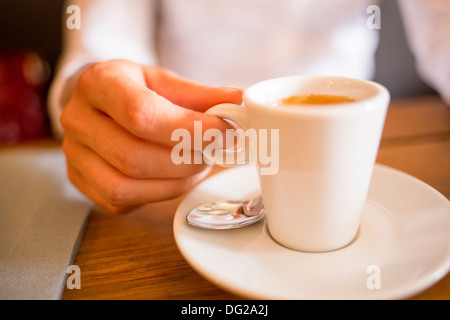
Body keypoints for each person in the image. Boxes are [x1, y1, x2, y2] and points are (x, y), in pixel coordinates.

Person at [48, 0, 450, 214]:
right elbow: (104, 40)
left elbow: (443, 26)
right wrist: (98, 101)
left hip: (351, 145)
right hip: (182, 156)